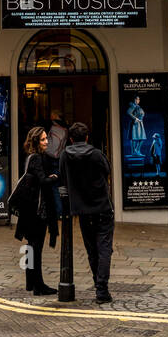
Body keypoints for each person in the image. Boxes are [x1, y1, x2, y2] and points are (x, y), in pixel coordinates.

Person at [60, 121, 114, 304]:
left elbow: (62, 178)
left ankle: (98, 285)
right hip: (102, 207)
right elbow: (107, 171)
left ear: (71, 139)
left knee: (92, 250)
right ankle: (102, 290)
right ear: (87, 137)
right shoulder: (96, 154)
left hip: (82, 210)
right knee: (104, 249)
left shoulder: (65, 156)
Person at [13, 126, 60, 296]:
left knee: (32, 248)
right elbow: (42, 181)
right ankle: (38, 285)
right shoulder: (37, 159)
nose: (46, 141)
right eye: (42, 139)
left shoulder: (30, 158)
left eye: (46, 138)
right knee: (35, 248)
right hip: (36, 212)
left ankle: (32, 283)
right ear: (35, 141)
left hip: (30, 210)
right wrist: (54, 178)